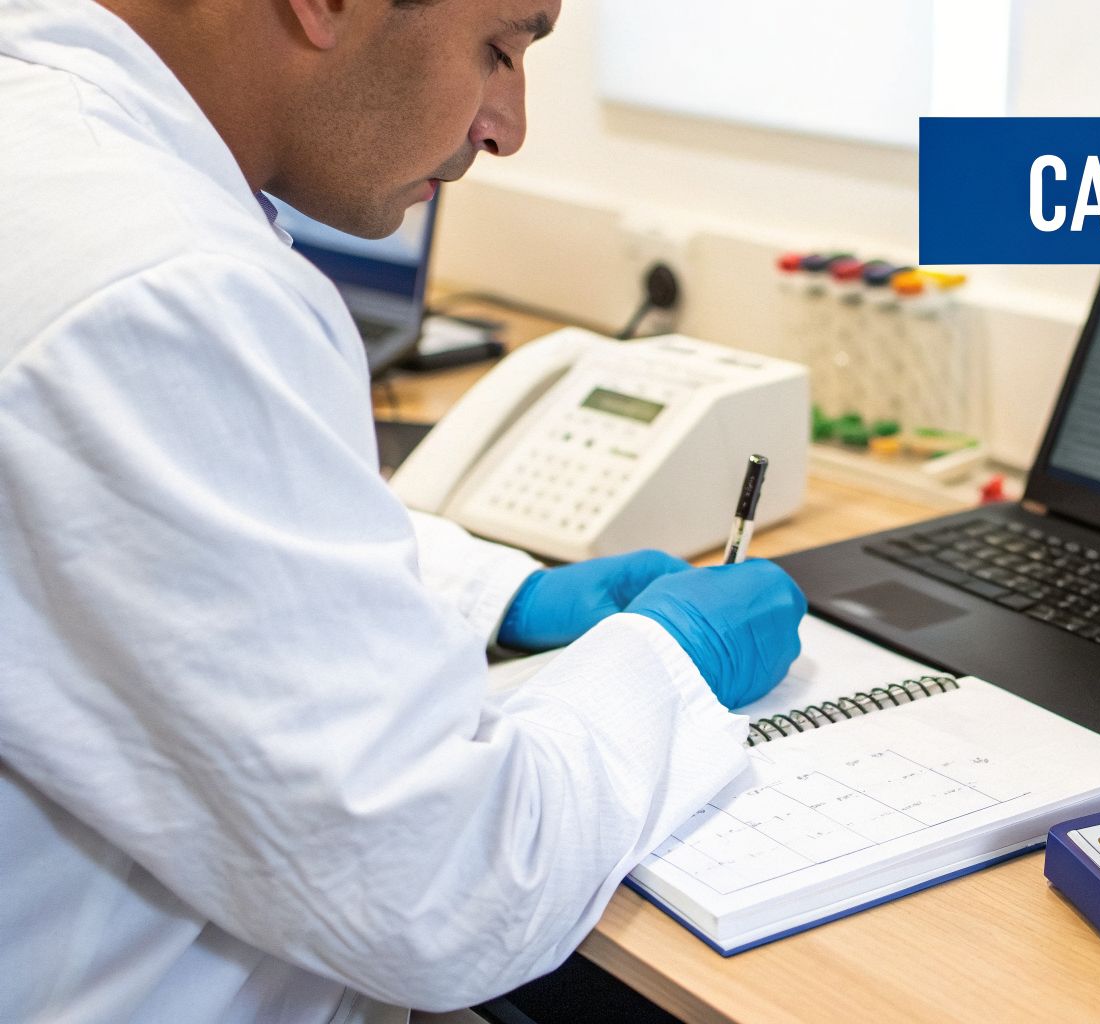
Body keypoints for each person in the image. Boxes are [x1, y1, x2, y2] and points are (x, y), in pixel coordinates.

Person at [0, 0, 808, 1020]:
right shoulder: (161, 287)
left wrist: (497, 593)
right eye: (500, 48)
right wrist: (669, 662)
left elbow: (158, 532)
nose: (506, 126)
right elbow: (443, 895)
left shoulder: (48, 148)